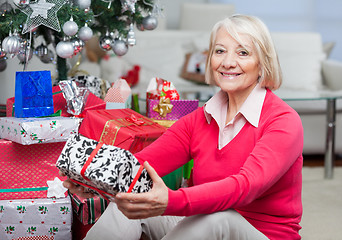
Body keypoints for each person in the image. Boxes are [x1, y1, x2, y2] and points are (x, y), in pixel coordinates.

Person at [62, 14, 303, 240]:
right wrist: (93, 182)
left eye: (242, 53)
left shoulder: (283, 121)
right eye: (220, 51)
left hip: (262, 234)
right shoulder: (200, 119)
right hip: (201, 225)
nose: (228, 62)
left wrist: (171, 201)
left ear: (262, 64)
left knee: (219, 216)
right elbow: (141, 166)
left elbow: (244, 188)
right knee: (130, 203)